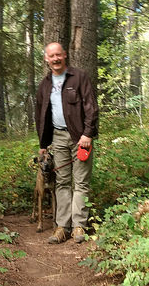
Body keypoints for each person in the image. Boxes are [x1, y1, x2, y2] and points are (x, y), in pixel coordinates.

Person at [35, 42, 99, 244]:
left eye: (58, 55)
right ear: (46, 59)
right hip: (58, 138)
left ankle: (79, 226)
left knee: (81, 182)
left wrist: (88, 134)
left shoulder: (79, 77)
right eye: (51, 56)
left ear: (65, 55)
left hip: (80, 138)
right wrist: (44, 143)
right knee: (61, 182)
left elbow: (91, 107)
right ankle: (62, 226)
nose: (55, 59)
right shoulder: (45, 84)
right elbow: (40, 115)